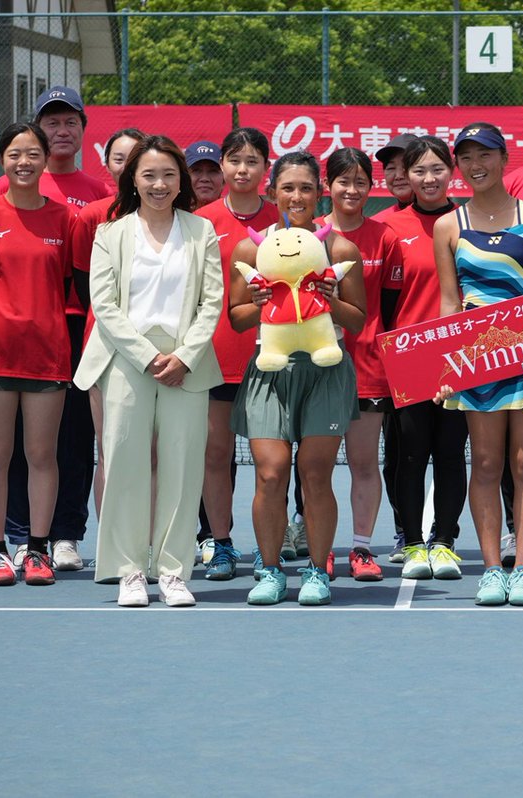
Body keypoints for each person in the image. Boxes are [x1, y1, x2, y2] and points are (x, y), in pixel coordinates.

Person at [73, 136, 224, 607]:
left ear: (181, 181)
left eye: (168, 175)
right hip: (125, 361)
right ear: (132, 181)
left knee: (182, 468)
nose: (159, 184)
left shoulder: (202, 232)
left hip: (187, 365)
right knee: (124, 465)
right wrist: (146, 356)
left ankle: (174, 571)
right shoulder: (110, 234)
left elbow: (212, 302)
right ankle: (130, 571)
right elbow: (105, 304)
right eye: (149, 175)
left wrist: (184, 357)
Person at [433, 122, 523, 607]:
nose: (476, 165)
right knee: (488, 464)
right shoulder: (448, 226)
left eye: (485, 155)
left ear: (504, 157)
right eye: (466, 157)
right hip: (476, 363)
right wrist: (447, 369)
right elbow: (451, 305)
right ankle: (493, 568)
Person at [228, 151, 366, 606]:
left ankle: (317, 571)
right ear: (272, 193)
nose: (297, 196)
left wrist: (330, 298)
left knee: (315, 473)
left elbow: (359, 320)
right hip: (270, 371)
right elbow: (238, 319)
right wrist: (261, 300)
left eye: (306, 187)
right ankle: (269, 572)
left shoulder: (341, 250)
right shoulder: (252, 249)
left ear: (319, 193)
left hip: (326, 372)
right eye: (287, 187)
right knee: (269, 474)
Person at [0, 86, 110, 572]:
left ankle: (65, 534)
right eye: (52, 123)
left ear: (83, 129)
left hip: (82, 331)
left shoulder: (100, 192)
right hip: (23, 336)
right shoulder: (7, 189)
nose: (62, 131)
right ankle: (20, 533)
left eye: (70, 122)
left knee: (75, 437)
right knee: (20, 440)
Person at [0, 122, 74, 588]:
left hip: (49, 356)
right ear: (2, 160)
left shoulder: (65, 219)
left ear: (46, 160)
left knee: (42, 455)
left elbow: (70, 284)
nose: (23, 162)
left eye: (32, 154)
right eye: (14, 154)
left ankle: (38, 550)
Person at [194, 127, 279, 580]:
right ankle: (219, 542)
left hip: (278, 357)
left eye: (252, 161)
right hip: (216, 357)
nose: (242, 169)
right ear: (223, 166)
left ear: (267, 167)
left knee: (275, 461)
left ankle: (274, 541)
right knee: (215, 454)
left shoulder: (286, 219)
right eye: (235, 160)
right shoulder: (198, 221)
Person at [383, 136, 469, 581]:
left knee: (451, 454)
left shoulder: (468, 223)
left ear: (451, 171)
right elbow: (386, 303)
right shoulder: (391, 229)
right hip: (409, 359)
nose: (429, 178)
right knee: (410, 456)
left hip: (461, 358)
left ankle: (446, 542)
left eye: (437, 169)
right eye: (419, 171)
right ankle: (413, 542)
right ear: (407, 177)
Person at [320, 147, 403, 581]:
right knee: (315, 464)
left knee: (364, 462)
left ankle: (361, 548)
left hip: (369, 366)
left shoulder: (384, 237)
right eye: (343, 181)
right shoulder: (307, 236)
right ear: (327, 185)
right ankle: (321, 547)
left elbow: (387, 308)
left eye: (360, 182)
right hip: (316, 367)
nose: (352, 190)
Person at [70, 127, 147, 524]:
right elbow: (86, 286)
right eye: (121, 159)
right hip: (105, 350)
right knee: (110, 449)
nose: (129, 168)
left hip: (157, 355)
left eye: (137, 160)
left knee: (151, 452)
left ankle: (150, 544)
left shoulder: (172, 217)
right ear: (108, 165)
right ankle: (113, 543)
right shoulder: (91, 217)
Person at [372, 131, 417, 561]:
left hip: (452, 355)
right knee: (398, 452)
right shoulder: (382, 225)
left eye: (407, 164)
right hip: (397, 360)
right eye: (390, 167)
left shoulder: (453, 220)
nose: (398, 173)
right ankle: (406, 532)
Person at [372, 132, 417, 222]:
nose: (399, 176)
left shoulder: (449, 219)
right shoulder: (379, 224)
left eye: (406, 167)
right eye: (391, 168)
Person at [185, 140, 225, 208]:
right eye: (196, 170)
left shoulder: (236, 214)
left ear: (224, 179)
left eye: (213, 171)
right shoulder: (171, 215)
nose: (205, 178)